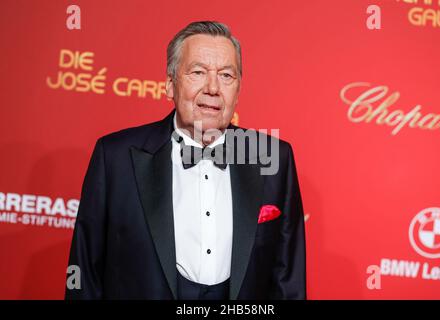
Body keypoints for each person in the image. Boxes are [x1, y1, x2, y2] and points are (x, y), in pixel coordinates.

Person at [65, 21, 306, 300]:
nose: (213, 88)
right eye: (198, 72)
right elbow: (85, 275)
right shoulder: (115, 157)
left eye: (227, 75)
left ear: (238, 89)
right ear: (170, 85)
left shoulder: (273, 158)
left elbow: (288, 279)